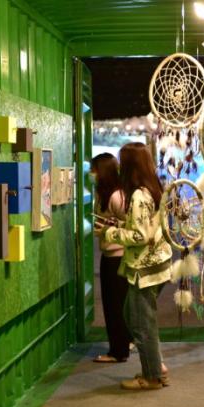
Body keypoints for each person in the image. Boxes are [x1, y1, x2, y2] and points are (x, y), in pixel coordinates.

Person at [96, 143, 172, 391]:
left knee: (140, 323)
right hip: (157, 264)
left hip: (144, 268)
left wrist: (110, 233)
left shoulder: (139, 196)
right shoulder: (154, 189)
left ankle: (152, 377)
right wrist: (118, 226)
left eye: (122, 162)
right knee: (135, 317)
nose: (119, 167)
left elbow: (140, 236)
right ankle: (156, 367)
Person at [90, 153, 132, 364]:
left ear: (103, 171)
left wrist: (110, 226)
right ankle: (125, 342)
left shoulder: (116, 196)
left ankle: (118, 351)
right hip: (109, 255)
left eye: (94, 170)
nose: (92, 174)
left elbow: (131, 225)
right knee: (116, 305)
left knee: (114, 306)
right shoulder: (104, 194)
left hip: (118, 256)